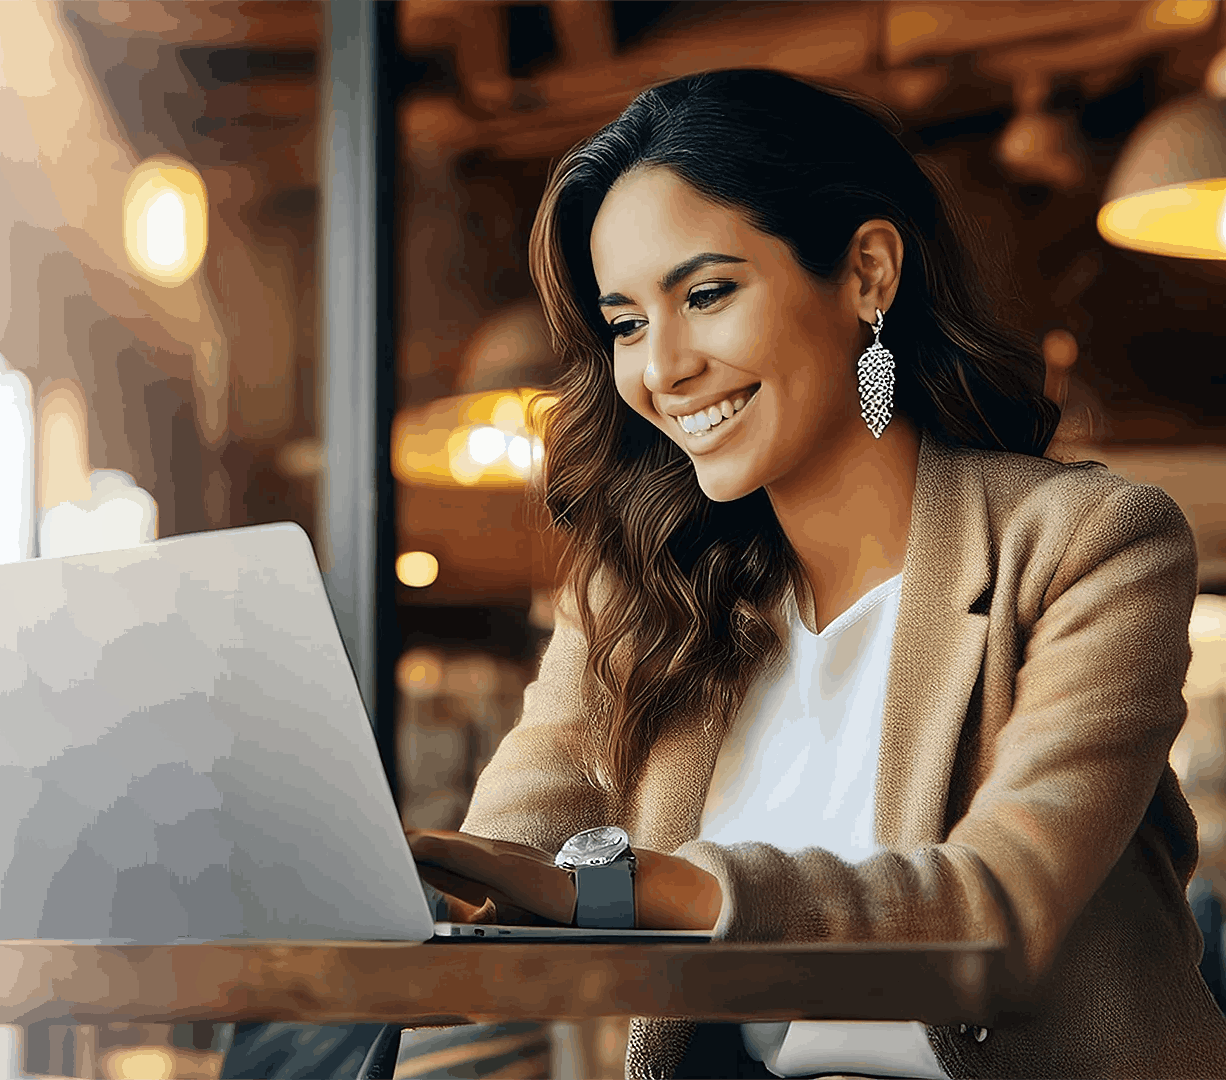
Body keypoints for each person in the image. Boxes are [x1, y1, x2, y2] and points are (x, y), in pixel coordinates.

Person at [396, 69, 1226, 1079]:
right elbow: (496, 884)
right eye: (623, 323)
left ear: (868, 273)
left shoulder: (1087, 542)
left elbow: (992, 918)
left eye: (705, 293)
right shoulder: (637, 585)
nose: (660, 367)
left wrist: (621, 889)